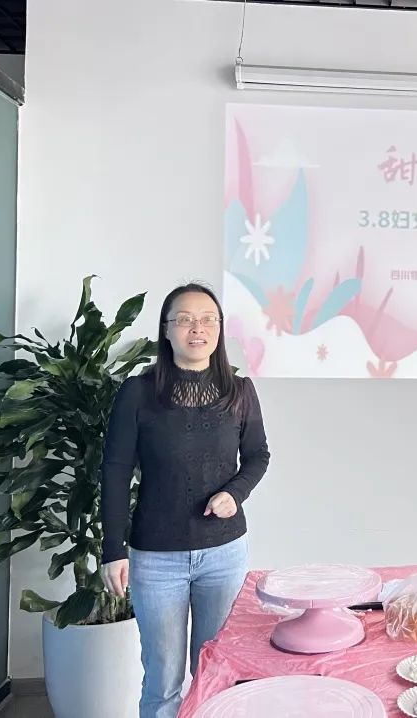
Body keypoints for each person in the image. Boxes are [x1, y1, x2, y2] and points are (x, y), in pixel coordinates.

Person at [100, 282, 270, 718]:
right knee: (163, 680)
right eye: (186, 319)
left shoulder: (240, 391)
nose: (198, 328)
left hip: (224, 554)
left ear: (220, 328)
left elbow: (257, 456)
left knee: (215, 673)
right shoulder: (138, 393)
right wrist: (112, 549)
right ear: (167, 329)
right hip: (157, 557)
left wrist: (235, 493)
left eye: (208, 319)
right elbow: (115, 470)